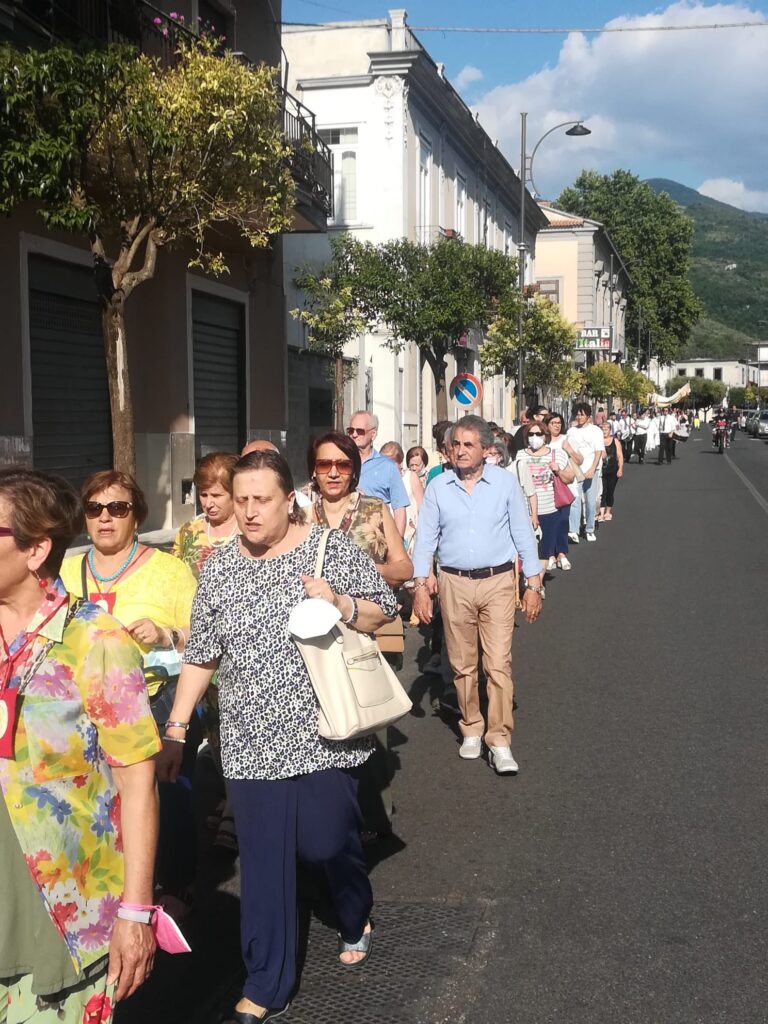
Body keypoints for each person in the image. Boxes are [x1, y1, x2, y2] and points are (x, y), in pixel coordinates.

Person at [158, 450, 396, 1021]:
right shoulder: (220, 566)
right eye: (240, 501)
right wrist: (175, 726)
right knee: (263, 864)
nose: (248, 511)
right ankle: (267, 980)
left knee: (321, 841)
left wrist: (338, 601)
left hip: (323, 733)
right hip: (247, 740)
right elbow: (203, 654)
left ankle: (353, 904)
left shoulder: (328, 549)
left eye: (260, 499)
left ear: (289, 500)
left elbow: (384, 608)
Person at [0, 469, 160, 1022]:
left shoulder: (95, 642)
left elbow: (138, 784)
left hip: (64, 908)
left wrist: (135, 914)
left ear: (35, 549)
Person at [60, 472, 198, 915]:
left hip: (153, 703)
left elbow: (204, 639)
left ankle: (174, 885)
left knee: (166, 796)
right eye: (95, 509)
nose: (105, 518)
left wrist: (165, 633)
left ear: (137, 516)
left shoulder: (169, 571)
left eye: (117, 508)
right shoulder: (64, 570)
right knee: (95, 799)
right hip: (80, 708)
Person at [412, 415, 544, 776]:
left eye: (468, 444)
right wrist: (420, 586)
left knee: (498, 662)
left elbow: (522, 533)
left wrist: (533, 585)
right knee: (462, 662)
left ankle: (499, 739)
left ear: (487, 450)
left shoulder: (504, 484)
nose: (460, 450)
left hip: (498, 581)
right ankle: (471, 725)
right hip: (454, 582)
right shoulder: (440, 487)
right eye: (455, 444)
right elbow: (425, 539)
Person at [308, 432, 413, 842]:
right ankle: (331, 813)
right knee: (323, 720)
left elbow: (403, 568)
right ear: (313, 470)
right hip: (316, 633)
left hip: (370, 626)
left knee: (370, 720)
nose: (333, 473)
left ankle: (375, 814)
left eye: (343, 464)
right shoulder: (299, 513)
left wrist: (357, 574)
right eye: (324, 465)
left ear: (354, 468)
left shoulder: (373, 508)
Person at [173, 451, 240, 854]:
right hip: (196, 649)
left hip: (236, 649)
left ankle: (234, 811)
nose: (210, 503)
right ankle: (222, 799)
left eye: (218, 494)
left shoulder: (249, 533)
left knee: (235, 732)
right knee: (210, 734)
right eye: (204, 494)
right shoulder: (189, 534)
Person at [515, 422, 573, 573]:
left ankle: (538, 584)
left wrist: (558, 470)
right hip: (525, 510)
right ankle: (529, 580)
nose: (535, 438)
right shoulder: (520, 454)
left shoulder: (557, 454)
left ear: (545, 436)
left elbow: (570, 478)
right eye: (531, 434)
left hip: (549, 509)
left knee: (544, 551)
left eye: (538, 434)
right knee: (526, 550)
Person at [347, 412, 409, 535]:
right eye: (350, 430)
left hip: (377, 539)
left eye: (359, 431)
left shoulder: (388, 467)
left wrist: (397, 542)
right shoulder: (341, 463)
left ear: (373, 434)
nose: (354, 435)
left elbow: (399, 509)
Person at [544, 413, 581, 570]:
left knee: (562, 520)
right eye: (553, 423)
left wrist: (569, 450)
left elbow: (580, 460)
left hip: (564, 485)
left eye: (559, 423)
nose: (557, 425)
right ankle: (550, 554)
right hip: (545, 488)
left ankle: (562, 554)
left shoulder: (567, 440)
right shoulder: (542, 441)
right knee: (548, 522)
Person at [566, 402, 605, 544]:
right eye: (577, 414)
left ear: (588, 416)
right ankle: (574, 530)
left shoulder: (595, 431)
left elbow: (598, 451)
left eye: (582, 414)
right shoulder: (571, 431)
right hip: (576, 471)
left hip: (591, 470)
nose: (579, 417)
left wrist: (593, 469)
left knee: (590, 501)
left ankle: (589, 529)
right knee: (575, 501)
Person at [380, 440, 424, 555]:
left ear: (400, 462)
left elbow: (422, 509)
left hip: (410, 540)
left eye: (391, 462)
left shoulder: (410, 477)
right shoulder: (380, 481)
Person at [596, 422, 624, 522]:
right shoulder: (597, 441)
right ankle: (601, 513)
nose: (604, 431)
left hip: (613, 470)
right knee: (602, 492)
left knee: (610, 491)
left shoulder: (615, 441)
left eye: (606, 429)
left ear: (610, 430)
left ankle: (608, 511)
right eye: (602, 429)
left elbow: (620, 456)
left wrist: (620, 468)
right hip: (601, 471)